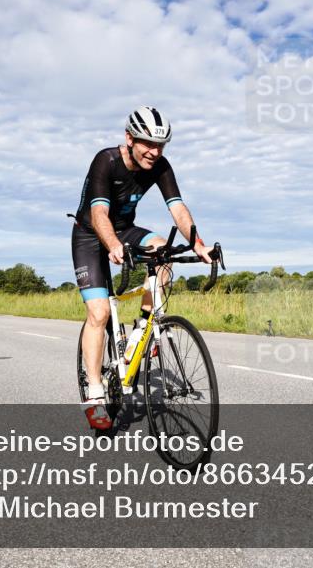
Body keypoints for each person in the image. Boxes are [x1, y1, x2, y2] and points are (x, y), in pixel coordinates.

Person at [72, 106, 212, 430]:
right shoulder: (105, 161)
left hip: (124, 229)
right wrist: (112, 246)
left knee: (164, 254)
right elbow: (98, 216)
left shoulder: (160, 166)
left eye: (160, 145)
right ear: (129, 138)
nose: (154, 151)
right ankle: (94, 393)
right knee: (99, 313)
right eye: (147, 143)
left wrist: (197, 243)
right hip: (90, 234)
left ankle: (143, 333)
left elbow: (177, 208)